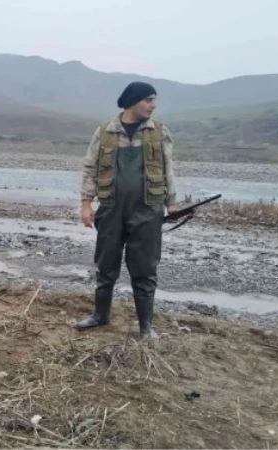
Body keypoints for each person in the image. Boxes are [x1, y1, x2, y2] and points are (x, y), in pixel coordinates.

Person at [77, 81, 177, 339]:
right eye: (148, 100)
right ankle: (100, 315)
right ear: (133, 101)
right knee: (106, 264)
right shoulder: (105, 132)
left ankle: (146, 327)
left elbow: (168, 169)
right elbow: (90, 168)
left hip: (148, 209)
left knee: (145, 268)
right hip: (110, 208)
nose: (153, 105)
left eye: (154, 100)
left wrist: (172, 204)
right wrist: (86, 204)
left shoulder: (159, 132)